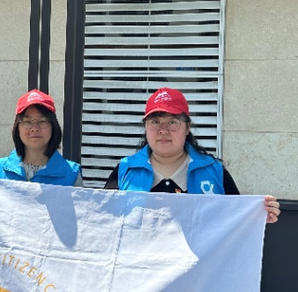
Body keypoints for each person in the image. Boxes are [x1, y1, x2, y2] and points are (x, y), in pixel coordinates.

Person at [104, 87, 280, 223]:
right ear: (145, 127)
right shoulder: (124, 170)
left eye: (173, 122)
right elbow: (103, 220)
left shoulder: (214, 171)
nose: (163, 130)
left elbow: (235, 220)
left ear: (187, 128)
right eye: (155, 121)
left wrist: (258, 216)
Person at [0, 90, 82, 186]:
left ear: (53, 126)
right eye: (27, 121)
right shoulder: (0, 169)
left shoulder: (72, 174)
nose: (34, 128)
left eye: (42, 121)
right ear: (17, 127)